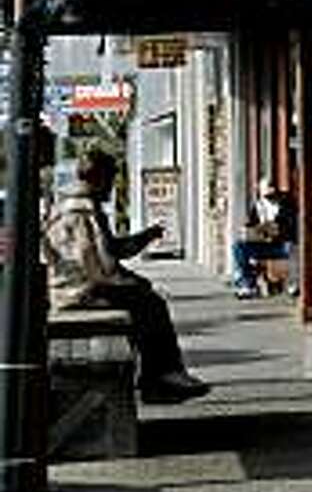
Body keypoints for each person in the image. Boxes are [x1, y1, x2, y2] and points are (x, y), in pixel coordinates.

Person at [43, 147, 209, 403]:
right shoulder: (83, 211)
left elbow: (111, 250)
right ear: (97, 178)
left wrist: (145, 238)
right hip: (80, 292)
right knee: (151, 304)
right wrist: (134, 282)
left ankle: (159, 377)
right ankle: (162, 377)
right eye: (110, 179)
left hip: (72, 287)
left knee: (144, 299)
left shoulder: (66, 205)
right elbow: (101, 268)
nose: (112, 187)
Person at [232, 175, 297, 297]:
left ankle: (293, 283)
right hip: (264, 245)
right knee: (238, 247)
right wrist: (249, 232)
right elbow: (251, 225)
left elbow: (291, 226)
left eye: (272, 195)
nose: (270, 198)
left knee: (292, 248)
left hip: (281, 245)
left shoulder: (286, 204)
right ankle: (247, 283)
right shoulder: (258, 207)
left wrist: (277, 230)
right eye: (267, 196)